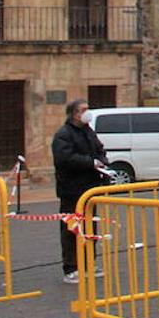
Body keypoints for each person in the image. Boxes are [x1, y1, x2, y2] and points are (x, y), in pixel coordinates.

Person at [51, 99, 109, 284]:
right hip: (71, 189)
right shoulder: (64, 134)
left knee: (90, 226)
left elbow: (100, 150)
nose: (87, 112)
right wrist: (90, 162)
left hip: (90, 188)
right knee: (71, 229)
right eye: (83, 110)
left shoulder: (88, 132)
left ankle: (89, 263)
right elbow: (65, 158)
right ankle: (71, 268)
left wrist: (102, 162)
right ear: (74, 113)